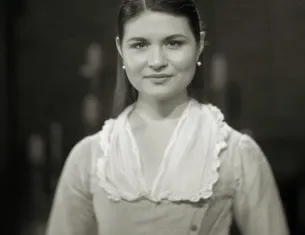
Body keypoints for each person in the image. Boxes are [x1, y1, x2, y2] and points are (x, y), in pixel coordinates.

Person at [46, 0, 289, 234]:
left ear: (199, 44)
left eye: (173, 43)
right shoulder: (89, 158)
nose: (157, 62)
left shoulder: (237, 154)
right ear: (121, 49)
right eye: (140, 45)